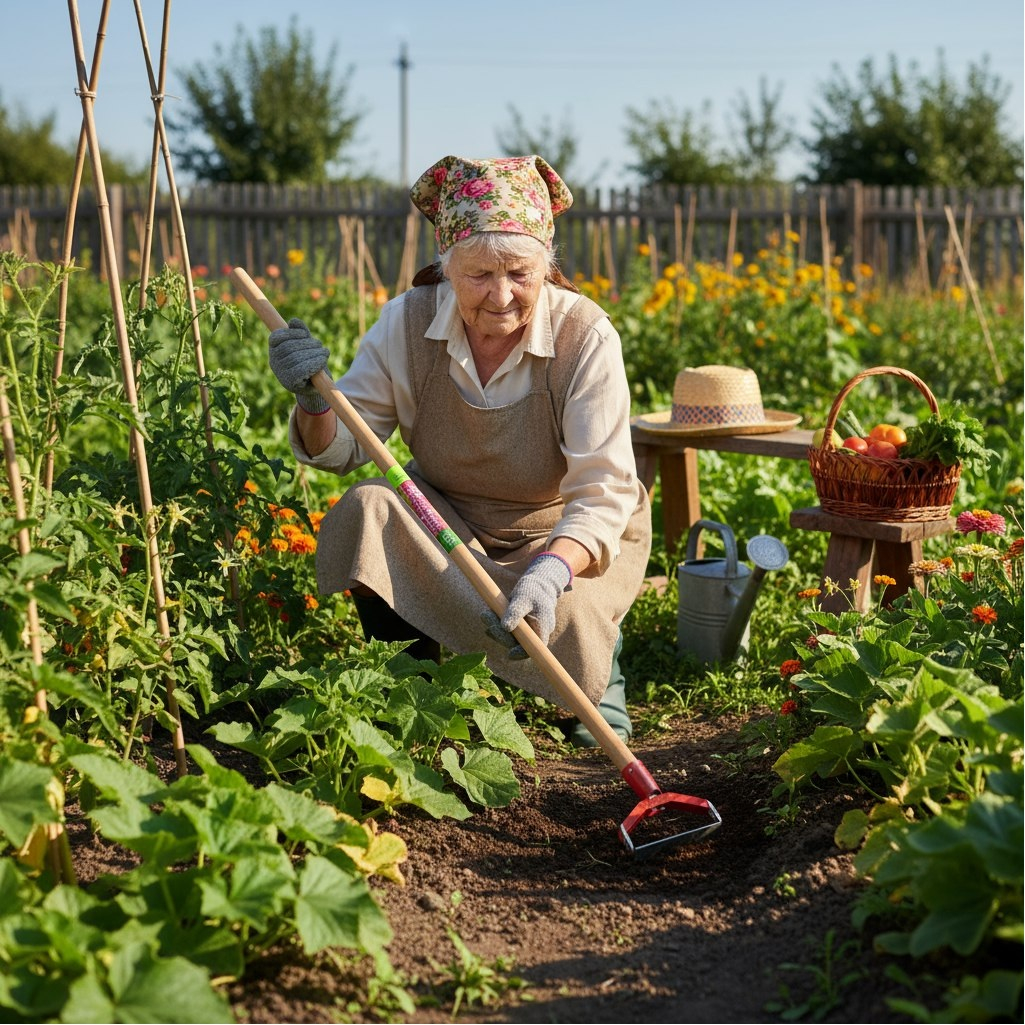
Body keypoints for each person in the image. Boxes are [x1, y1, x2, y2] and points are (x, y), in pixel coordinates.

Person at [267, 154, 651, 746]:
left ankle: (597, 692)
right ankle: (413, 689)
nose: (501, 296)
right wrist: (315, 404)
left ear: (547, 267)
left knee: (571, 614)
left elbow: (603, 490)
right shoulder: (406, 323)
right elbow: (341, 447)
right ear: (446, 268)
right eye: (479, 276)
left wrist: (552, 568)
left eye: (521, 274)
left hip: (556, 532)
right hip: (446, 523)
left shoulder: (585, 335)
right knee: (369, 508)